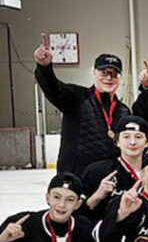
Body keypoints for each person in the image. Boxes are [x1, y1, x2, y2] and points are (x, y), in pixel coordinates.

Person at [34, 34, 130, 175]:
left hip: (107, 180)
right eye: (104, 72)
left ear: (120, 78)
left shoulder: (123, 111)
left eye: (114, 74)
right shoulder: (76, 97)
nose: (109, 78)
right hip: (76, 178)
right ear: (94, 73)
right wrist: (44, 68)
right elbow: (53, 88)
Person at [79, 115, 148, 220]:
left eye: (138, 137)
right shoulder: (97, 171)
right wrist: (97, 195)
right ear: (117, 141)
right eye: (126, 137)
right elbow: (78, 214)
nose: (132, 142)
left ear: (147, 142)